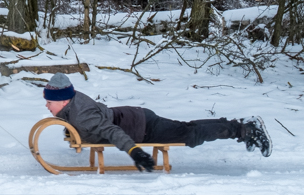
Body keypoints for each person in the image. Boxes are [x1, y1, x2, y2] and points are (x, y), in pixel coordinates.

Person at [42, 73, 272, 172]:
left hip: (142, 127)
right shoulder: (71, 102)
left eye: (49, 102)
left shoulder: (82, 113)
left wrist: (134, 151)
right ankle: (239, 126)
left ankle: (245, 129)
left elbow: (110, 131)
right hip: (135, 117)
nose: (46, 106)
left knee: (189, 135)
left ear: (62, 101)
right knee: (187, 127)